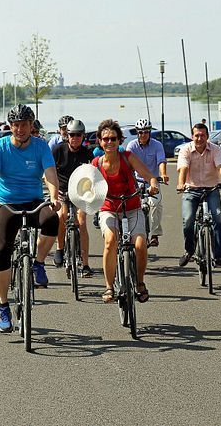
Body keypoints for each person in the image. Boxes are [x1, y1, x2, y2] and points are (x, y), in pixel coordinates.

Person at [0, 104, 61, 332]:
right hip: (7, 202)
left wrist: (54, 197)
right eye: (15, 125)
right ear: (10, 126)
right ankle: (4, 307)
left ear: (31, 125)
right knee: (3, 252)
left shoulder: (41, 146)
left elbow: (50, 175)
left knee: (52, 220)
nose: (19, 129)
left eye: (24, 124)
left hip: (34, 200)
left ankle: (37, 263)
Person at [93, 119, 159, 304]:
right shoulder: (96, 163)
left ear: (119, 140)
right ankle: (108, 286)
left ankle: (139, 282)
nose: (109, 142)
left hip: (131, 206)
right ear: (100, 141)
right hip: (109, 208)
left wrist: (153, 185)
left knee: (140, 244)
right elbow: (87, 185)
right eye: (105, 139)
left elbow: (149, 176)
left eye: (113, 138)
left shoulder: (127, 157)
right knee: (110, 241)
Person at [176, 122, 221, 268]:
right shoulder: (185, 150)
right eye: (197, 135)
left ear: (207, 136)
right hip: (191, 189)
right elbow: (183, 168)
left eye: (202, 135)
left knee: (218, 219)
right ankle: (189, 251)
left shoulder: (215, 149)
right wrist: (181, 183)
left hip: (211, 189)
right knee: (188, 221)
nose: (199, 138)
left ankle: (218, 256)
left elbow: (220, 167)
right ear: (192, 136)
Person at [52, 119, 95, 276]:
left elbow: (94, 173)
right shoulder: (57, 150)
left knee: (82, 222)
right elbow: (48, 171)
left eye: (78, 135)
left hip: (80, 193)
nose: (75, 138)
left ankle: (85, 264)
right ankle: (60, 248)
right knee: (62, 216)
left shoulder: (87, 153)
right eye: (72, 135)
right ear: (67, 135)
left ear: (83, 136)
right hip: (62, 191)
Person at [125, 118, 169, 247]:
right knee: (130, 207)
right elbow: (128, 165)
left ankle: (154, 234)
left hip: (152, 181)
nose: (142, 135)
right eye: (140, 132)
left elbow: (161, 161)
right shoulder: (131, 145)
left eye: (145, 132)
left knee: (156, 203)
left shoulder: (157, 145)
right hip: (137, 181)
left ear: (149, 132)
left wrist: (163, 174)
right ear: (137, 133)